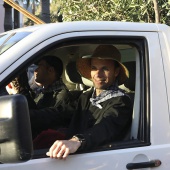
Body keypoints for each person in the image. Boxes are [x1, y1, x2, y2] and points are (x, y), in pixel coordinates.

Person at [45, 45, 133, 159]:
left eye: (105, 69)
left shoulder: (121, 101)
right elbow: (60, 113)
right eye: (94, 68)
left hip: (100, 160)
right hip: (71, 157)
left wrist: (77, 141)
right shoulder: (86, 96)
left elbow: (105, 128)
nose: (98, 74)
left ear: (116, 72)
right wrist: (26, 115)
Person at [6, 55, 75, 138]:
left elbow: (40, 122)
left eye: (39, 66)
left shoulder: (62, 96)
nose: (35, 70)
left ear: (50, 70)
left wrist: (21, 91)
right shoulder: (44, 92)